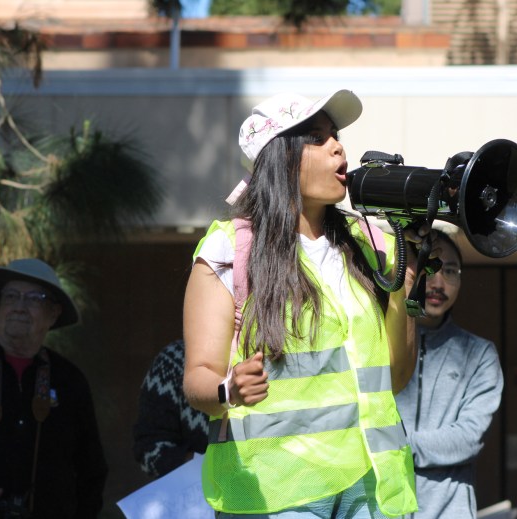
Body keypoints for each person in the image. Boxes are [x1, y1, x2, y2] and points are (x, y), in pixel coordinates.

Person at [182, 90, 426, 518]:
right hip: (276, 489)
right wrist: (230, 389)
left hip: (371, 484)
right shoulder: (229, 247)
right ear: (280, 158)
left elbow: (396, 378)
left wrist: (402, 289)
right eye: (317, 137)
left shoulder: (373, 246)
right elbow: (197, 379)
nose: (338, 146)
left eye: (336, 135)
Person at [0, 258, 108, 519]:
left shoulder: (69, 381)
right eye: (10, 296)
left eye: (34, 298)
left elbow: (91, 472)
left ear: (53, 314)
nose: (19, 307)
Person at [395, 229, 503, 519]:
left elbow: (467, 438)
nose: (439, 283)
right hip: (382, 507)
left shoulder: (479, 354)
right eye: (430, 268)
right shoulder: (380, 343)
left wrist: (396, 444)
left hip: (449, 510)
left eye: (451, 271)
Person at [133, 339, 209, 478]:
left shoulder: (259, 361)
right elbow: (148, 448)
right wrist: (201, 465)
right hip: (197, 491)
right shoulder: (174, 360)